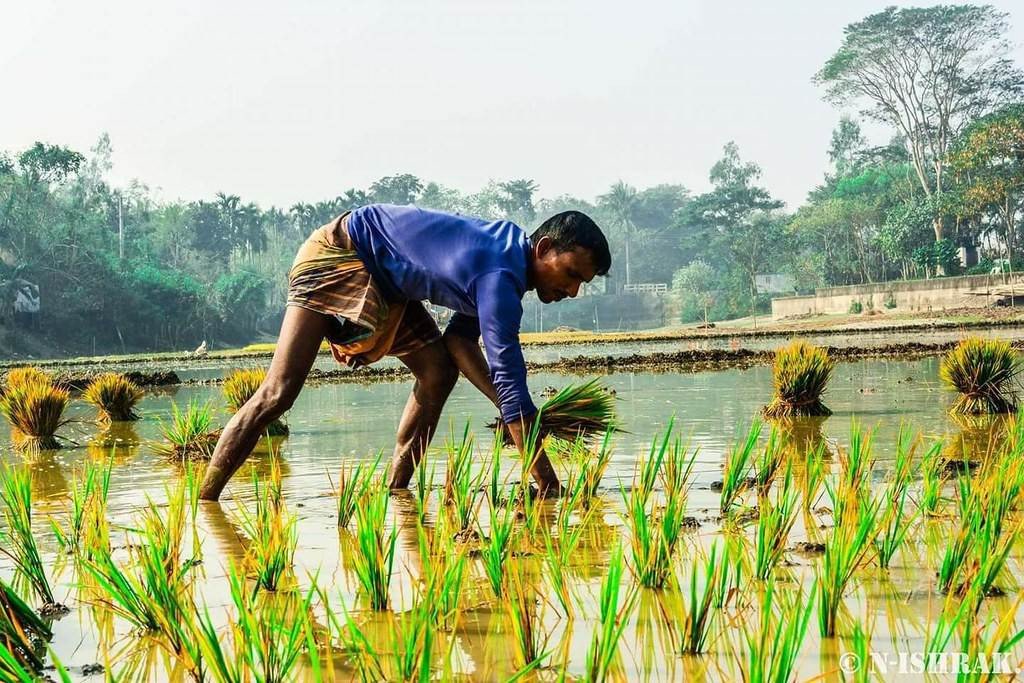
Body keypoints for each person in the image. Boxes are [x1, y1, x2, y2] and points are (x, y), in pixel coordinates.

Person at [198, 204, 611, 501]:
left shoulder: (506, 265)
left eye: (583, 283)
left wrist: (509, 408)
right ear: (543, 249)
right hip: (342, 252)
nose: (573, 290)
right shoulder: (501, 274)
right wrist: (548, 483)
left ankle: (395, 491)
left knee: (437, 371)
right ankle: (206, 499)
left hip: (387, 282)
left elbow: (459, 343)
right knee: (278, 392)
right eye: (571, 274)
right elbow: (509, 380)